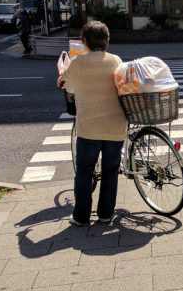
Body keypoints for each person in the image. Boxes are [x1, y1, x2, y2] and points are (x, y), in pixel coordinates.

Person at [56, 21, 128, 226]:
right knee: (110, 172)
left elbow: (63, 81)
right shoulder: (116, 60)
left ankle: (81, 217)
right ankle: (106, 215)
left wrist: (62, 78)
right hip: (116, 127)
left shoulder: (78, 63)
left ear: (84, 41)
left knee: (84, 172)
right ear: (107, 41)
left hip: (89, 129)